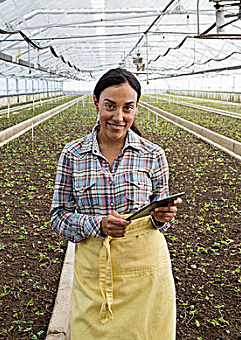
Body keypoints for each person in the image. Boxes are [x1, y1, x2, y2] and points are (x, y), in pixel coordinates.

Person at [49, 68, 182, 339]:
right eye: (110, 106)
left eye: (127, 108)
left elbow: (160, 223)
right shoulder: (73, 154)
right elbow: (58, 217)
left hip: (146, 273)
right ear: (96, 102)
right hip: (93, 274)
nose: (118, 117)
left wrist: (162, 217)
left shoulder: (153, 154)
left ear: (136, 108)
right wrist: (98, 224)